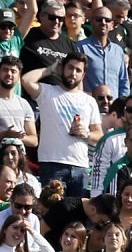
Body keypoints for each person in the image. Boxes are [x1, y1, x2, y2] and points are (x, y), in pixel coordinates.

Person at [21, 52, 102, 197]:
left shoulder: (89, 101)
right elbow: (26, 80)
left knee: (76, 216)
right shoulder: (47, 92)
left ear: (83, 75)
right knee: (52, 214)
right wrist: (50, 69)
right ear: (62, 68)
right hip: (52, 165)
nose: (73, 73)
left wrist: (86, 133)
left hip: (80, 167)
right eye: (70, 67)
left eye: (78, 70)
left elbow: (99, 135)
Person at [75, 6, 129, 98]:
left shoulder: (118, 51)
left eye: (107, 20)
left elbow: (123, 81)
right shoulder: (80, 47)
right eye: (99, 19)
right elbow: (75, 79)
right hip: (89, 106)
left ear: (112, 24)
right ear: (92, 22)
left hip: (113, 108)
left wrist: (121, 104)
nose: (103, 23)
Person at [41, 192, 118, 247]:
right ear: (93, 210)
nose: (100, 224)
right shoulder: (65, 208)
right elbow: (41, 229)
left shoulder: (90, 217)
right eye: (101, 221)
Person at [20, 0, 75, 74]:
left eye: (60, 18)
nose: (56, 22)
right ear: (41, 16)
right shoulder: (27, 35)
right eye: (52, 17)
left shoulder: (70, 45)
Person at [0, 56, 38, 153]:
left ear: (19, 76)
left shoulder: (24, 104)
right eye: (5, 70)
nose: (9, 74)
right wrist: (5, 134)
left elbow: (34, 140)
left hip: (17, 160)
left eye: (13, 71)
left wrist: (19, 136)